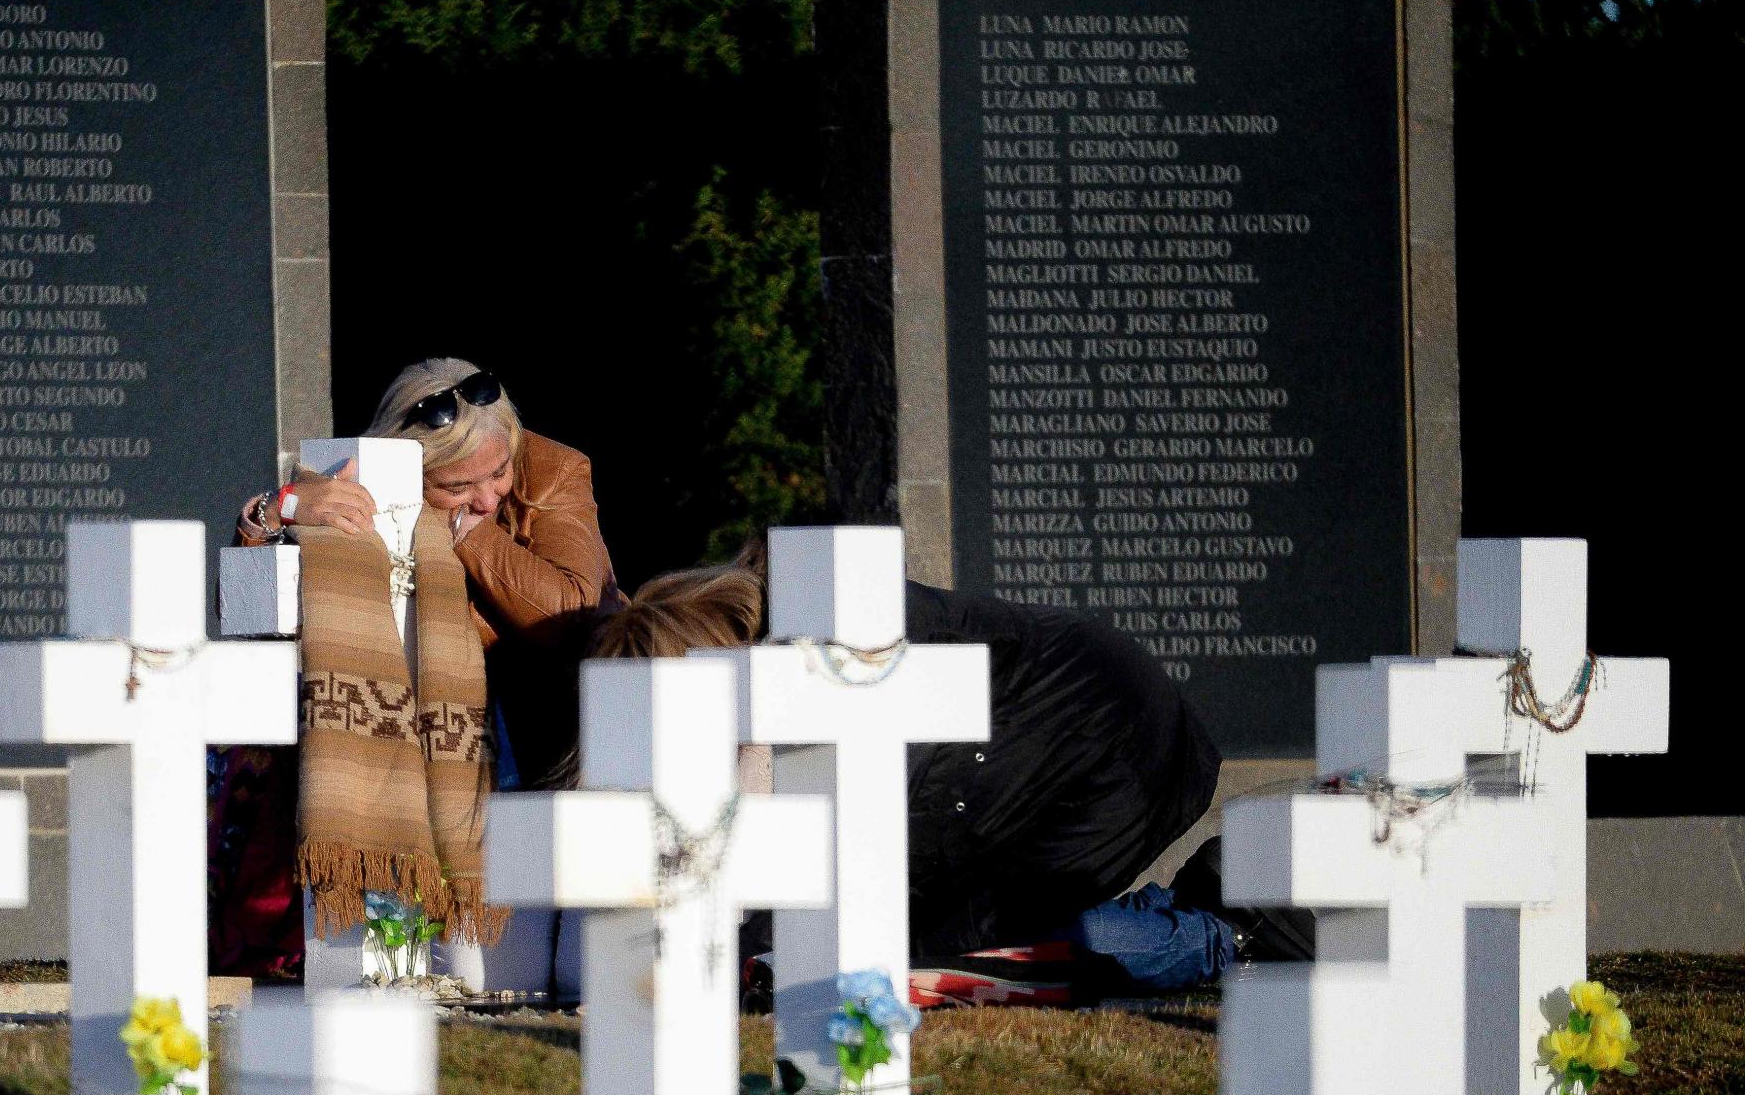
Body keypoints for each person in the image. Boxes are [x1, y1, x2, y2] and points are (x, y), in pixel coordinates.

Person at [588, 553, 1301, 1003]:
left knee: (948, 957)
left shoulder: (834, 655)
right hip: (1055, 739)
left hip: (1100, 755)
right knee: (897, 945)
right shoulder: (791, 624)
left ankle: (1217, 933)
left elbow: (845, 857)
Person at [213, 361, 621, 991]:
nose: (489, 496)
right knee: (381, 970)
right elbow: (252, 617)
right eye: (457, 486)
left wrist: (468, 537)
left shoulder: (554, 472)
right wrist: (281, 509)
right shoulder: (359, 485)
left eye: (499, 471)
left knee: (498, 977)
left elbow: (570, 609)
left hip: (530, 734)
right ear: (411, 471)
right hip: (387, 747)